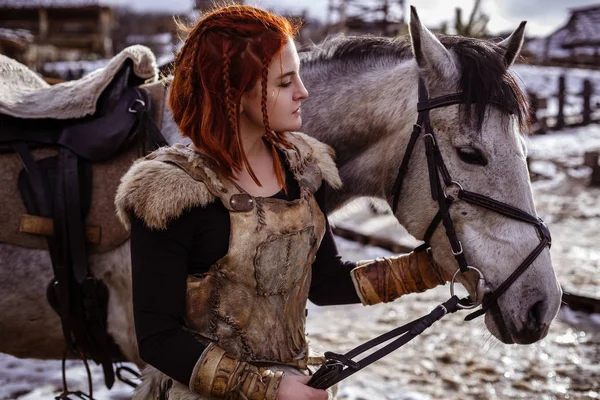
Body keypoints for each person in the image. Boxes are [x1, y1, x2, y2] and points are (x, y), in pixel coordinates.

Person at [115, 5, 449, 400]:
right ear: (235, 92)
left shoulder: (304, 169)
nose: (303, 93)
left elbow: (324, 282)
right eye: (285, 81)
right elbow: (157, 338)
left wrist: (430, 267)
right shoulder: (168, 191)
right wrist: (270, 389)